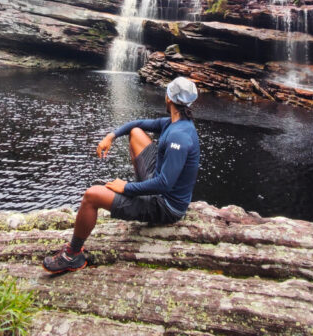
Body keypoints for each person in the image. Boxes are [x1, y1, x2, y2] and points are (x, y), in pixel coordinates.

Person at [43, 76, 200, 274]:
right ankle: (140, 192)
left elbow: (165, 184)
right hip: (157, 179)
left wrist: (126, 188)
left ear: (168, 98)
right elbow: (139, 122)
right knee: (136, 132)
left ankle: (73, 255)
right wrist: (112, 135)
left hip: (166, 206)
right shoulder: (175, 123)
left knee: (92, 196)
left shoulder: (180, 136)